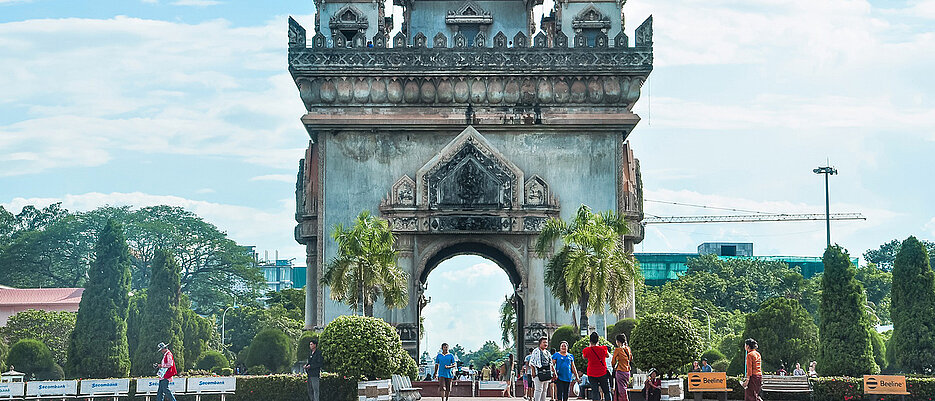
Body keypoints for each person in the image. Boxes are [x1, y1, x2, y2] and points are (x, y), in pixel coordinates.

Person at [582, 332, 611, 401]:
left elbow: (583, 357)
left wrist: (590, 346)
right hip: (602, 372)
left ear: (590, 341)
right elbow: (607, 356)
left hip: (591, 373)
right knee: (606, 391)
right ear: (598, 340)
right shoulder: (603, 349)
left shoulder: (586, 350)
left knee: (595, 391)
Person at [529, 337, 556, 401]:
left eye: (546, 342)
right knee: (538, 389)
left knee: (544, 389)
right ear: (540, 343)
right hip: (538, 372)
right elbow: (532, 362)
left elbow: (551, 363)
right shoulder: (536, 351)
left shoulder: (547, 352)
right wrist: (533, 372)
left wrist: (554, 372)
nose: (545, 344)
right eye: (544, 342)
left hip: (547, 372)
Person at [612, 334, 632, 401]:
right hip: (627, 371)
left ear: (618, 341)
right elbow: (630, 358)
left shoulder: (617, 350)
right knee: (624, 387)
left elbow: (613, 361)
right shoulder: (628, 349)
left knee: (621, 390)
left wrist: (613, 367)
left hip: (620, 371)